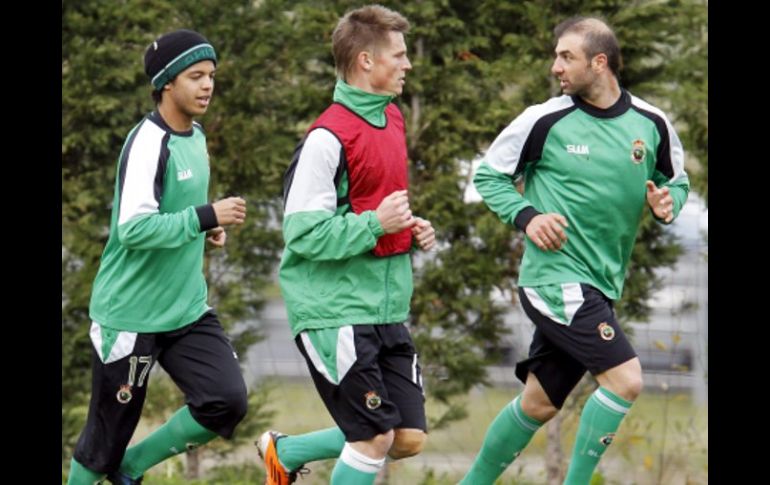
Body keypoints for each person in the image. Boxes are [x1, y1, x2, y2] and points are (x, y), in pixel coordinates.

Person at [461, 16, 690, 485]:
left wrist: (668, 203)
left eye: (567, 57)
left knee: (538, 404)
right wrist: (529, 216)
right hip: (556, 278)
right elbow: (488, 175)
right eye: (556, 56)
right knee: (626, 380)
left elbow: (676, 182)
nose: (556, 67)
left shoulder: (651, 123)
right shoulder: (544, 119)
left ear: (599, 62)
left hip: (600, 283)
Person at [256, 5, 436, 485]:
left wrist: (408, 227)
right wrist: (377, 223)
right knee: (373, 437)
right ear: (365, 61)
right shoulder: (327, 137)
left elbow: (370, 208)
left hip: (385, 307)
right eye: (398, 55)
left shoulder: (391, 117)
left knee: (407, 437)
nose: (408, 64)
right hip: (334, 310)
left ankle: (286, 452)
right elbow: (303, 233)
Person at [67, 29, 249, 485]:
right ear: (167, 82)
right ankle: (110, 465)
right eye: (195, 76)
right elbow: (133, 229)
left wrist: (207, 228)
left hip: (185, 309)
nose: (207, 85)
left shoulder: (196, 136)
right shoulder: (149, 143)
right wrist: (205, 215)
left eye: (211, 76)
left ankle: (131, 468)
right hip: (131, 315)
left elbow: (175, 210)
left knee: (226, 400)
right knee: (102, 445)